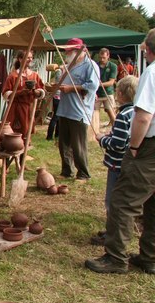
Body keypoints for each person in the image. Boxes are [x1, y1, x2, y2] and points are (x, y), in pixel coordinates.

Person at [85, 30, 155, 274]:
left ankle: (115, 258)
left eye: (145, 48)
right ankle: (150, 257)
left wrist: (134, 147)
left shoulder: (152, 72)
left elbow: (144, 117)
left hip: (149, 148)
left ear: (148, 49)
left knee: (123, 203)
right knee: (152, 203)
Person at [89, 76, 138, 245]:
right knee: (122, 200)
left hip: (117, 165)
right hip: (129, 164)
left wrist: (102, 139)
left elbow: (117, 144)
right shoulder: (136, 113)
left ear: (121, 94)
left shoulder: (123, 116)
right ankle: (113, 230)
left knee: (112, 201)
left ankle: (113, 234)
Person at [56, 38, 100, 182]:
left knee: (78, 145)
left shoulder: (90, 65)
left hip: (79, 110)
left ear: (79, 51)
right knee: (64, 144)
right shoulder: (70, 65)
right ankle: (67, 170)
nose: (67, 54)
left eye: (70, 51)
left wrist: (72, 88)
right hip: (64, 109)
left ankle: (83, 173)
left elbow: (93, 86)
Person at [1, 50, 45, 143]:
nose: (30, 59)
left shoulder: (34, 75)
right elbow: (5, 94)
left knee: (26, 133)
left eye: (31, 57)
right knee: (12, 133)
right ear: (20, 59)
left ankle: (22, 154)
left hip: (28, 108)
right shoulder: (13, 76)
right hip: (14, 108)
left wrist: (37, 92)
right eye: (27, 58)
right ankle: (12, 151)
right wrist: (20, 93)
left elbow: (41, 90)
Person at [95, 48, 118, 118]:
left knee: (112, 114)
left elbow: (111, 82)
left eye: (104, 58)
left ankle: (115, 128)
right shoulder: (95, 65)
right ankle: (96, 129)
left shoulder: (113, 66)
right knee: (94, 114)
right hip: (97, 94)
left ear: (108, 56)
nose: (102, 59)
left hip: (108, 93)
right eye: (100, 57)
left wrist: (98, 84)